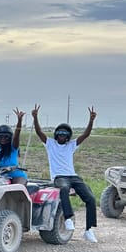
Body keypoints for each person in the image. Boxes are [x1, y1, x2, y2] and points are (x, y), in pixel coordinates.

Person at [31, 104, 98, 242]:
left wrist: (91, 120)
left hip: (73, 176)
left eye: (65, 134)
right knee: (64, 189)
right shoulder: (50, 144)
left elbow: (86, 135)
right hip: (59, 176)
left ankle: (88, 230)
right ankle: (68, 218)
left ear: (68, 137)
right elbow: (39, 132)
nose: (62, 136)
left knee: (90, 198)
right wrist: (35, 117)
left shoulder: (71, 145)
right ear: (56, 135)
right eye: (60, 134)